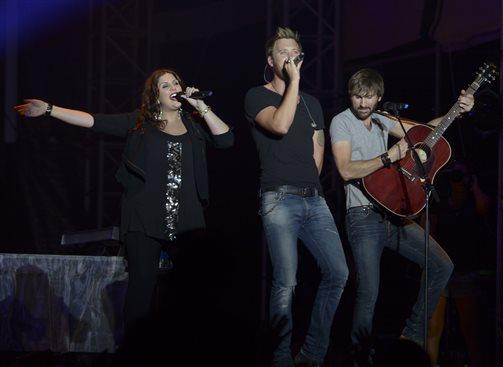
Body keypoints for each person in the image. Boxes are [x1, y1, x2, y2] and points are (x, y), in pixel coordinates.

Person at [15, 69, 234, 330]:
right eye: (165, 85)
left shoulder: (195, 125)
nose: (174, 87)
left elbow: (226, 140)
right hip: (144, 217)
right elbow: (93, 120)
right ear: (155, 96)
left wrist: (201, 106)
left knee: (191, 288)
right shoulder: (139, 123)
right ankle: (134, 351)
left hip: (187, 218)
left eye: (176, 82)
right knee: (142, 287)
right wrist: (50, 109)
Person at [329, 69, 474, 357]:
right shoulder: (341, 122)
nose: (362, 103)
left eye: (368, 97)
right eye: (357, 96)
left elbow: (424, 132)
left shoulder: (383, 119)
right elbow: (345, 169)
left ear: (379, 97)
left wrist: (456, 110)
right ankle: (361, 358)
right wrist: (389, 156)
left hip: (394, 215)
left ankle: (411, 339)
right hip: (362, 215)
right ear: (350, 96)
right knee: (369, 293)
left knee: (442, 265)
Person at [244, 27, 348, 367]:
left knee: (338, 272)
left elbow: (317, 151)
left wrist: (311, 184)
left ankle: (312, 355)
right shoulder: (256, 96)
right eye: (283, 52)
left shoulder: (314, 104)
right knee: (285, 282)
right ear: (270, 60)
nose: (290, 57)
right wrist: (294, 84)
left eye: (296, 53)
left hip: (313, 199)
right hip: (278, 199)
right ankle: (280, 359)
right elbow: (280, 125)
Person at [427, 159, 488, 367]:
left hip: (465, 270)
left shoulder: (473, 201)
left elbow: (484, 209)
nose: (456, 177)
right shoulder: (440, 201)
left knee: (469, 329)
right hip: (441, 271)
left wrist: (475, 185)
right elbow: (429, 232)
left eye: (460, 174)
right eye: (453, 173)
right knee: (433, 327)